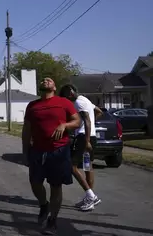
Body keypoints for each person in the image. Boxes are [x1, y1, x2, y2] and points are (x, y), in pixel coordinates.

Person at [22, 77, 81, 235]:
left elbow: (77, 121)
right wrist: (25, 151)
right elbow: (26, 130)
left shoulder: (64, 102)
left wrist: (64, 125)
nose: (45, 80)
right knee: (35, 183)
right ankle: (43, 204)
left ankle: (52, 220)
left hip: (59, 150)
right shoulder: (32, 106)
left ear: (54, 87)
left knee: (56, 186)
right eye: (43, 80)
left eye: (49, 80)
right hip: (37, 150)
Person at [59, 84, 104, 212]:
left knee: (71, 166)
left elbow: (87, 120)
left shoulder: (78, 102)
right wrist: (90, 127)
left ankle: (91, 196)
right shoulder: (85, 99)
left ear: (70, 93)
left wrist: (87, 140)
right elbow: (99, 112)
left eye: (65, 97)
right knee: (87, 166)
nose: (66, 101)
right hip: (90, 136)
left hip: (84, 138)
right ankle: (89, 199)